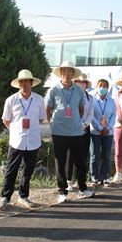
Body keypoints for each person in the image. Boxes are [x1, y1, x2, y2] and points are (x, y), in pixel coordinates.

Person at [45, 61, 95, 203]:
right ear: (61, 74)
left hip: (75, 131)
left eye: (69, 72)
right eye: (64, 72)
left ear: (73, 74)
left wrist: (76, 121)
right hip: (58, 132)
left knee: (80, 161)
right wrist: (52, 123)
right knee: (60, 162)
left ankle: (83, 188)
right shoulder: (53, 90)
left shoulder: (79, 90)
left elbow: (81, 109)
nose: (67, 74)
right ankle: (62, 191)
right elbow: (48, 109)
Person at [0, 70, 46, 210]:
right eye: (21, 81)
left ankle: (23, 195)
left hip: (33, 139)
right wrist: (16, 130)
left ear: (32, 83)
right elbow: (6, 120)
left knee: (28, 169)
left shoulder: (38, 100)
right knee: (11, 169)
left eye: (27, 81)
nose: (24, 84)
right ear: (18, 84)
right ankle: (5, 197)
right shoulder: (11, 100)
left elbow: (41, 118)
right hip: (16, 140)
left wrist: (30, 128)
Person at [65, 73, 94, 190]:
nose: (81, 84)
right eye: (79, 82)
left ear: (86, 85)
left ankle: (80, 180)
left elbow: (90, 114)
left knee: (82, 156)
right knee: (70, 156)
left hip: (85, 130)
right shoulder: (70, 96)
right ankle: (68, 181)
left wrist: (85, 124)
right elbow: (68, 112)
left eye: (83, 82)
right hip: (72, 129)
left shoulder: (90, 98)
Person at [90, 79, 116, 187]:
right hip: (95, 132)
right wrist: (100, 127)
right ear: (97, 87)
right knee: (94, 155)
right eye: (101, 85)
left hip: (108, 133)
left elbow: (114, 115)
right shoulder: (92, 99)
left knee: (106, 155)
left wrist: (108, 127)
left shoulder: (111, 101)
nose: (103, 88)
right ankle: (94, 177)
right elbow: (90, 115)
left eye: (105, 86)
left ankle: (105, 177)